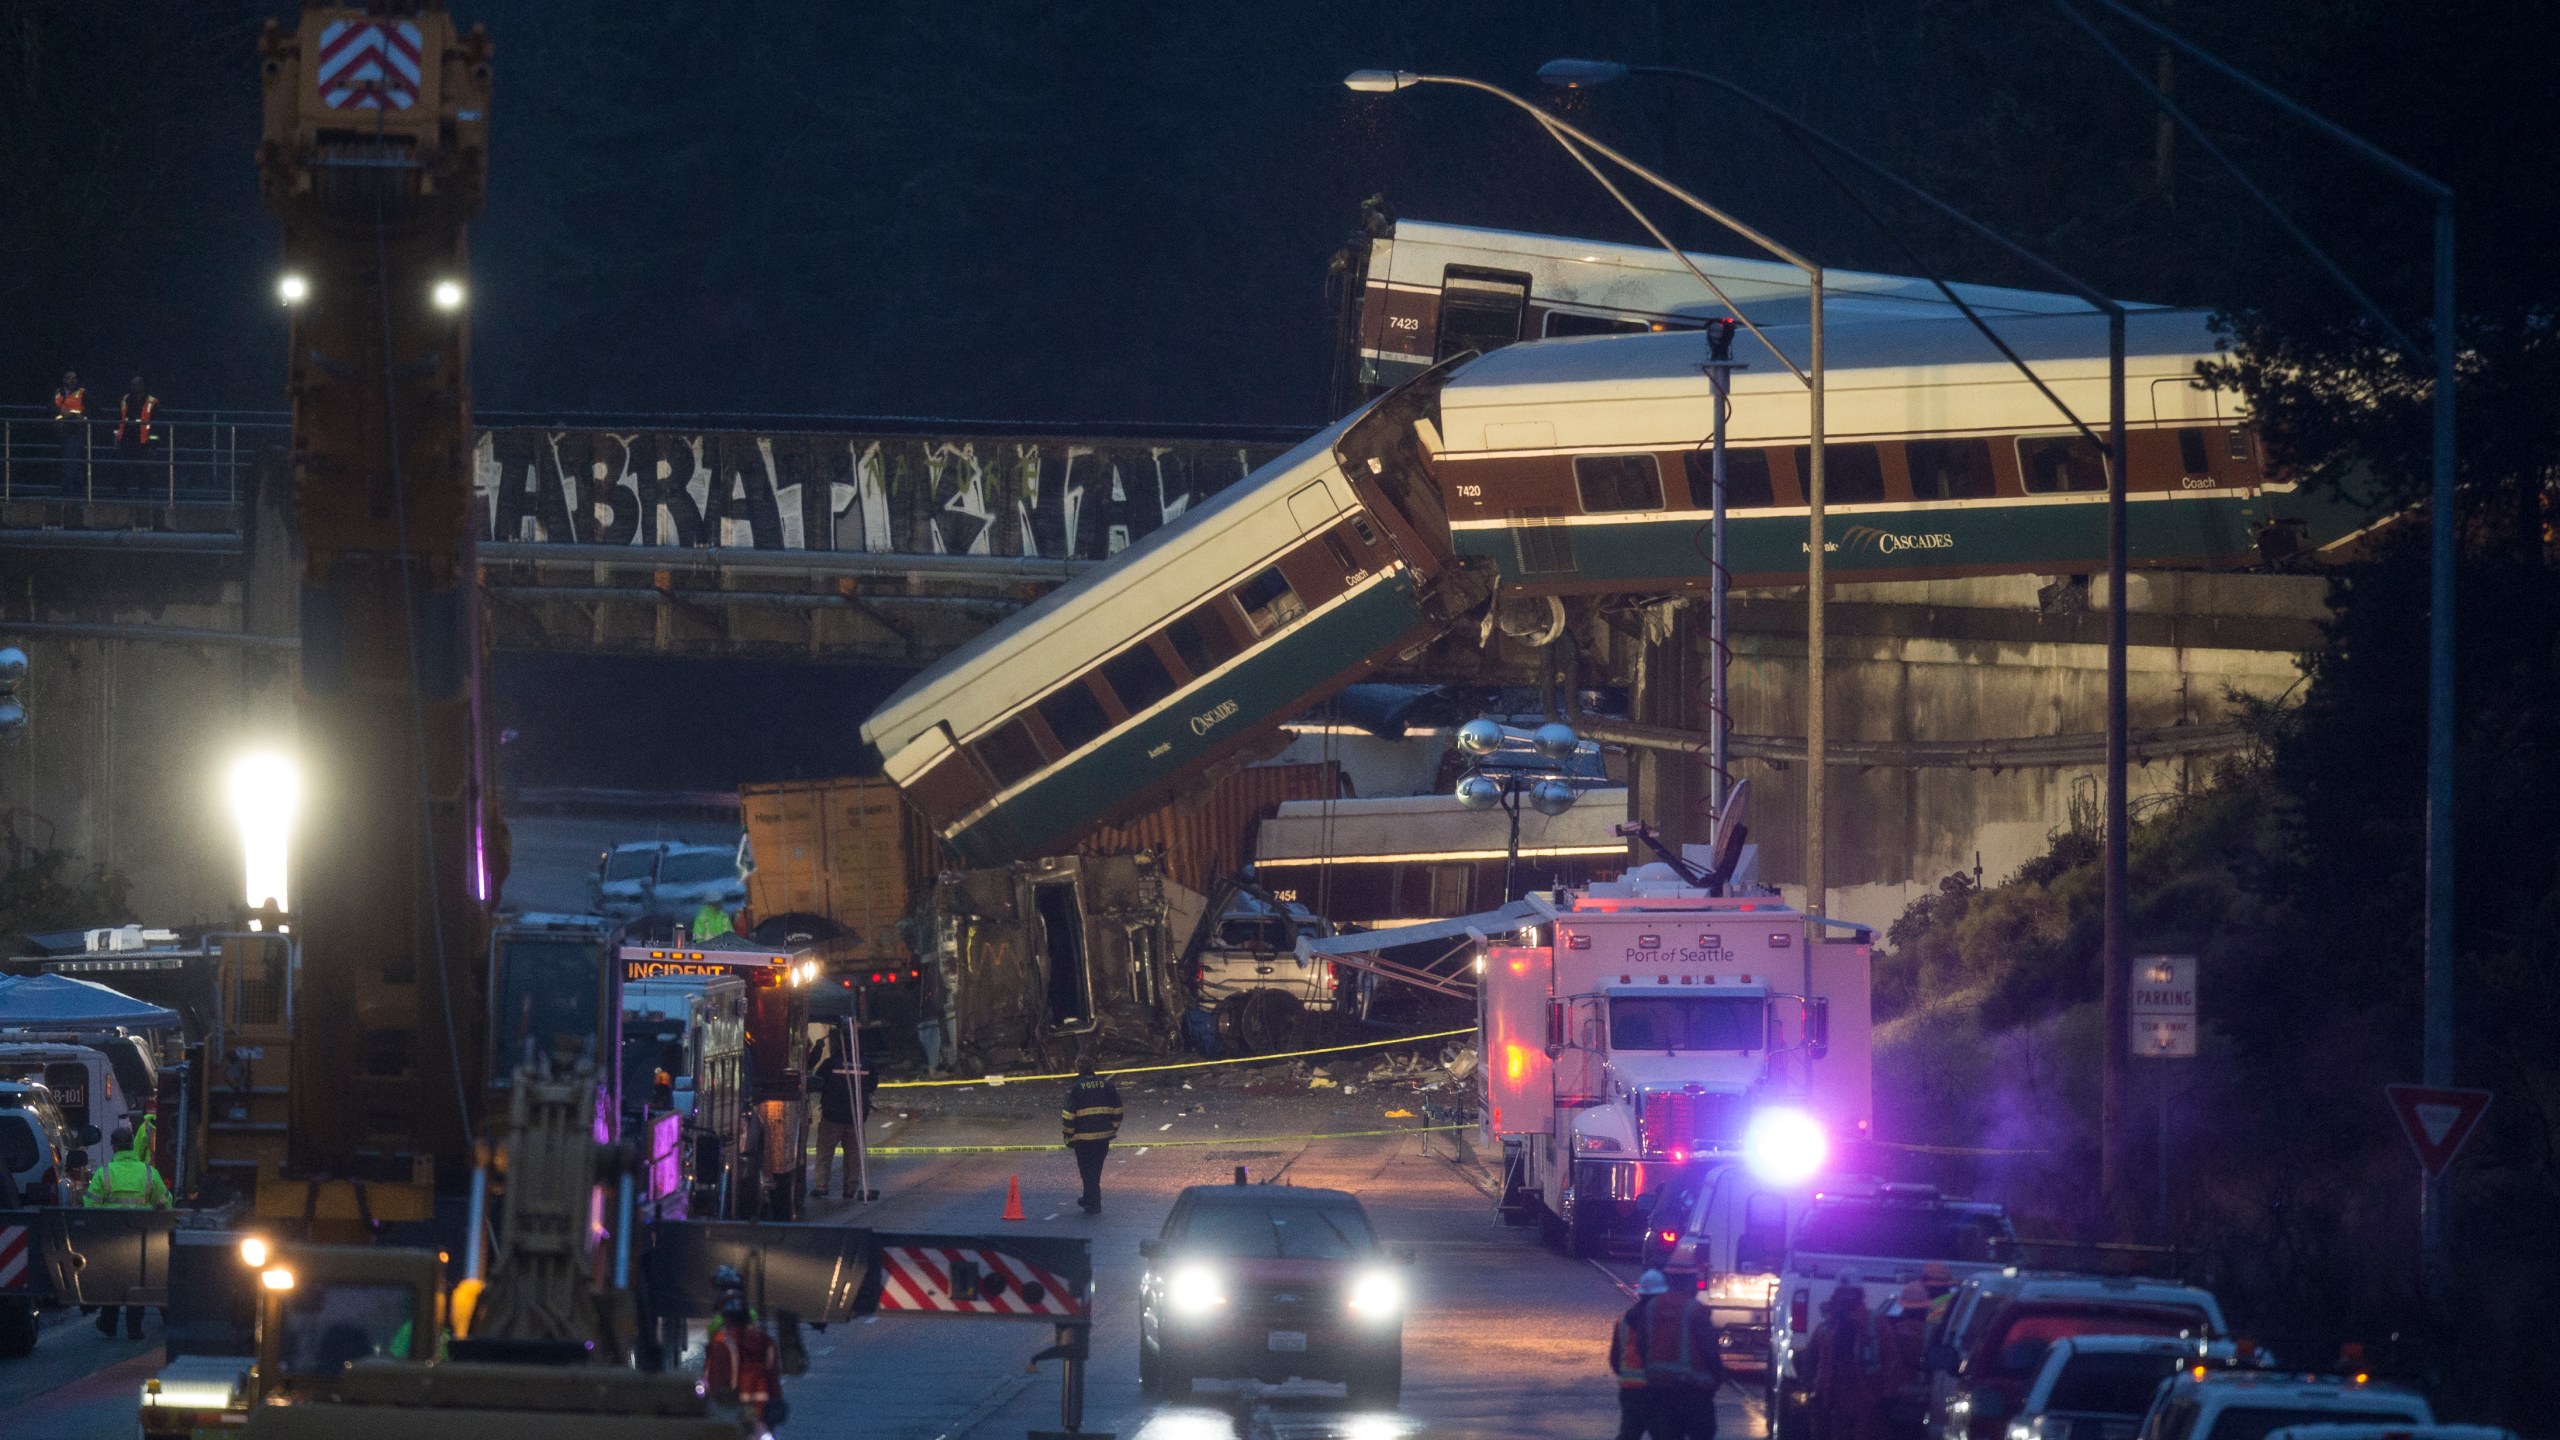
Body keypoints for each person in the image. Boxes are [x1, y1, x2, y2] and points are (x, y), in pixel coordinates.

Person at [1610, 1268, 1729, 1440]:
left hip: (1643, 1389)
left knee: (1633, 1433)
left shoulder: (1628, 1318)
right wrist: (1717, 1377)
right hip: (1686, 1390)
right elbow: (1707, 1348)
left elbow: (1622, 1355)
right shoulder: (1686, 1312)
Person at [85, 1123, 171, 1337]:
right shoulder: (149, 1173)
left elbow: (89, 1206)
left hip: (111, 1239)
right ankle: (134, 1328)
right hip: (142, 1238)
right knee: (139, 1281)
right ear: (132, 1145)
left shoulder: (104, 1174)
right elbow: (165, 1203)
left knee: (112, 1281)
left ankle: (109, 1324)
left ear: (114, 1147)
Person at [1808, 1279, 1881, 1440]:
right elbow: (1811, 1360)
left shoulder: (1875, 1324)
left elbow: (1890, 1361)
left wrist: (1884, 1397)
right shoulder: (1826, 1327)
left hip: (1863, 1398)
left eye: (1850, 1294)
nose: (1846, 1299)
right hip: (1831, 1399)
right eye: (1843, 1294)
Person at [703, 1286, 782, 1428]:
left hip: (731, 1413)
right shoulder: (767, 1342)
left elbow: (711, 1381)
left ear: (725, 1316)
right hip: (762, 1413)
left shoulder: (721, 1343)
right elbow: (773, 1379)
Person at [807, 1035, 874, 1201]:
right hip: (856, 1117)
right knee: (853, 1155)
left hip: (832, 1116)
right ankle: (850, 1189)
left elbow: (817, 1081)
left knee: (824, 1152)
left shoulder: (830, 1064)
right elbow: (873, 1085)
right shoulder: (866, 1064)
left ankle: (821, 1186)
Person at [1059, 1053, 1122, 1215]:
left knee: (1087, 1171)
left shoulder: (1076, 1088)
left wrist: (1068, 1135)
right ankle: (1089, 1198)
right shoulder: (1108, 1086)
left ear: (1078, 1068)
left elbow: (1068, 1115)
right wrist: (1113, 1128)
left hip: (1083, 1139)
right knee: (1095, 1169)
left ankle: (1094, 1203)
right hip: (1103, 1137)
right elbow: (1118, 1110)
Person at [1872, 1281, 1935, 1440]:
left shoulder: (1890, 1333)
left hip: (1894, 1396)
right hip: (1925, 1398)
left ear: (1903, 1307)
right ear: (1925, 1307)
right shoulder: (1934, 1334)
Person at [115, 375, 157, 496]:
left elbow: (157, 425)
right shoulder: (126, 399)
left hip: (144, 440)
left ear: (142, 386)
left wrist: (153, 444)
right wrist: (118, 438)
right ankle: (121, 493)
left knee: (143, 469)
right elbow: (120, 417)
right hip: (127, 438)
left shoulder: (152, 401)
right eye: (132, 384)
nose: (132, 387)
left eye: (135, 385)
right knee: (122, 466)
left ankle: (143, 494)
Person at [52, 370, 87, 495]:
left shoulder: (83, 393)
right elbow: (51, 408)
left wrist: (71, 415)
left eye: (74, 378)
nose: (72, 381)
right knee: (73, 463)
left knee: (70, 462)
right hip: (61, 431)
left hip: (76, 431)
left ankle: (66, 491)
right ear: (64, 379)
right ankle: (81, 491)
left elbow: (91, 410)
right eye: (69, 378)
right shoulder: (59, 392)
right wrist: (59, 411)